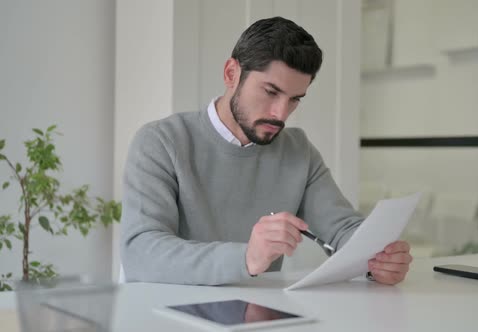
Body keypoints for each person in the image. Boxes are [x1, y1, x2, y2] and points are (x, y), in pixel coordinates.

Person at [120, 16, 412, 286]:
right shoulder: (161, 142)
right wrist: (247, 257)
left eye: (295, 99)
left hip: (258, 314)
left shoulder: (298, 150)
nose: (280, 114)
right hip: (168, 314)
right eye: (271, 92)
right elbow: (140, 253)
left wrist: (377, 259)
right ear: (231, 73)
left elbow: (342, 229)